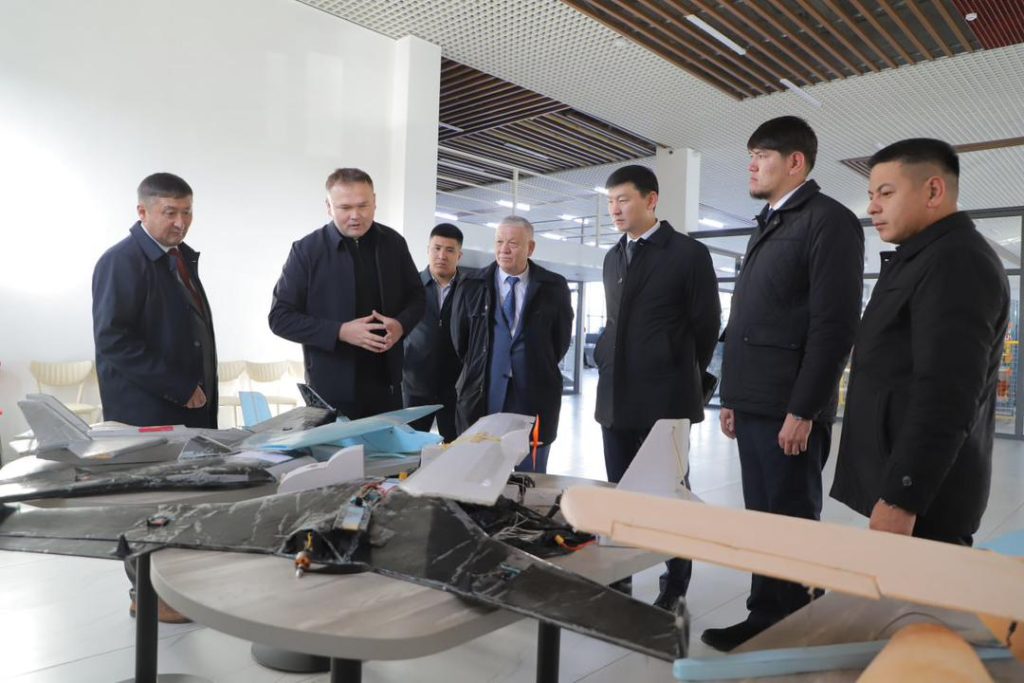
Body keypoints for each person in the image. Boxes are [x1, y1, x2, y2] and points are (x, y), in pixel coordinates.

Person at [708, 116, 865, 651]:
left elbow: (834, 326)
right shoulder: (770, 222)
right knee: (763, 520)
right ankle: (765, 617)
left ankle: (796, 627)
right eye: (750, 156)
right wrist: (731, 396)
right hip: (754, 401)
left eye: (762, 156)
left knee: (791, 520)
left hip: (789, 408)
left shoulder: (829, 221)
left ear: (795, 162)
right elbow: (748, 317)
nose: (751, 166)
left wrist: (804, 409)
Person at [831, 138, 1009, 547]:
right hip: (901, 477)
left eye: (886, 193)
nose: (873, 207)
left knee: (922, 590)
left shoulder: (956, 260)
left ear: (933, 191)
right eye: (871, 195)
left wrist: (902, 496)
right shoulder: (921, 257)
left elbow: (947, 392)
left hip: (926, 498)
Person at [594, 165, 720, 609]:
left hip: (665, 398)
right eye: (610, 202)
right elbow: (615, 322)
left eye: (623, 199)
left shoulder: (687, 254)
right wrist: (605, 356)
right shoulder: (613, 256)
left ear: (651, 200)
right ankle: (619, 575)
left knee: (670, 495)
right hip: (614, 398)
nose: (615, 209)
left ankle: (676, 582)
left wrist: (677, 368)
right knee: (618, 492)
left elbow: (706, 325)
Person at [93, 171, 216, 623]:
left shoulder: (177, 257)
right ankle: (145, 595)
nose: (180, 222)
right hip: (147, 411)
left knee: (178, 502)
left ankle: (172, 589)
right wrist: (180, 387)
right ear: (142, 211)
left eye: (187, 212)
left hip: (185, 407)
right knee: (149, 506)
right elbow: (113, 340)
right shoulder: (122, 261)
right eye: (169, 212)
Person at [269, 168, 424, 419]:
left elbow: (417, 297)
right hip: (330, 391)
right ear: (328, 207)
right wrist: (340, 332)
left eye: (363, 206)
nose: (355, 216)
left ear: (375, 202)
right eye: (344, 207)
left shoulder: (394, 243)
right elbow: (280, 318)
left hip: (387, 387)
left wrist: (401, 325)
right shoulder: (307, 250)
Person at [451, 215, 573, 472]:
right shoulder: (471, 285)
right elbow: (461, 341)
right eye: (499, 242)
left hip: (533, 397)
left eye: (513, 243)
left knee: (530, 477)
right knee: (479, 472)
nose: (504, 249)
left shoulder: (554, 287)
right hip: (484, 395)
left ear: (530, 248)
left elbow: (559, 342)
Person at [402, 223, 467, 442]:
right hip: (414, 386)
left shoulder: (470, 289)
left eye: (449, 250)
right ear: (428, 250)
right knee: (411, 450)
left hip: (455, 388)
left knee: (455, 451)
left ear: (459, 255)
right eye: (437, 248)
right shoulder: (409, 287)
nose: (442, 255)